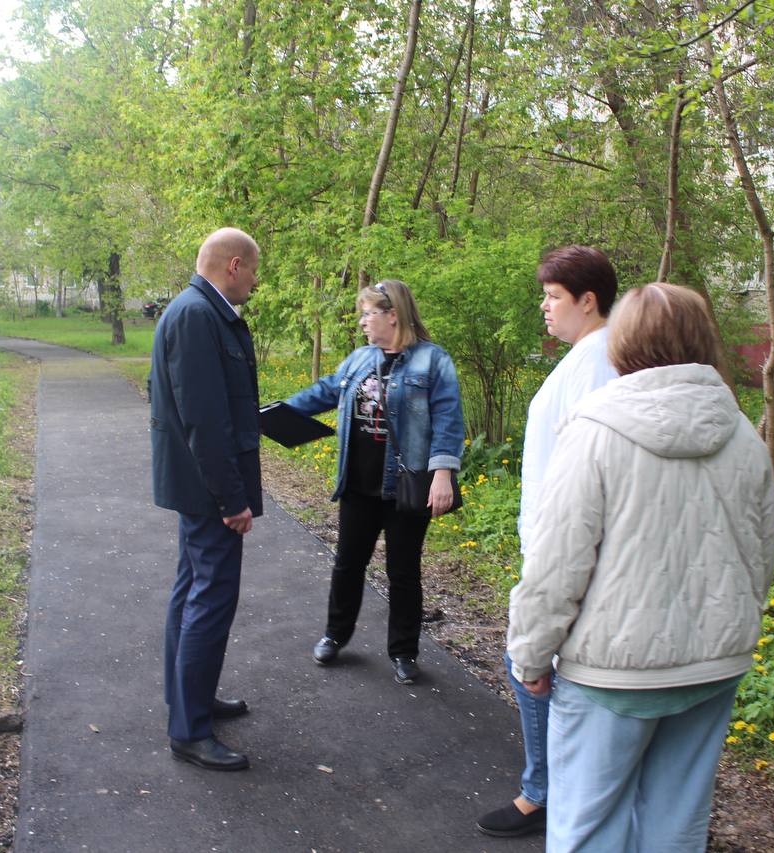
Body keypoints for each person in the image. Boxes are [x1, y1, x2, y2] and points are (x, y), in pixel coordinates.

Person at [507, 283, 774, 852]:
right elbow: (761, 555)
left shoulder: (593, 431)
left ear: (622, 343)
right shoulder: (743, 434)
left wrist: (530, 652)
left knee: (587, 828)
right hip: (712, 667)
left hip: (612, 672)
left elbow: (556, 564)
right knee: (676, 827)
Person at [476, 245, 620, 839]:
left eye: (554, 296)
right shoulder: (588, 355)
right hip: (553, 541)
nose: (544, 306)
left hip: (567, 547)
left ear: (588, 301)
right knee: (542, 667)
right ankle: (556, 787)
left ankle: (546, 793)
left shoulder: (600, 363)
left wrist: (554, 557)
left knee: (533, 664)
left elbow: (586, 471)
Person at [285, 279, 464, 685]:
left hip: (405, 486)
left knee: (403, 570)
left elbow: (449, 421)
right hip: (358, 484)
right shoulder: (359, 359)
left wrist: (443, 476)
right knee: (348, 563)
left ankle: (403, 652)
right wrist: (272, 413)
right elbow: (324, 392)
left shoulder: (433, 361)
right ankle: (335, 634)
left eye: (369, 313)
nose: (363, 321)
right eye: (363, 313)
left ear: (393, 315)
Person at [149, 227, 262, 772]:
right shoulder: (197, 315)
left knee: (191, 589)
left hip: (197, 485)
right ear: (234, 265)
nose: (256, 284)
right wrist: (231, 499)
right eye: (255, 272)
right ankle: (190, 731)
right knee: (209, 597)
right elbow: (204, 421)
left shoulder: (199, 312)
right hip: (207, 489)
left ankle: (190, 700)